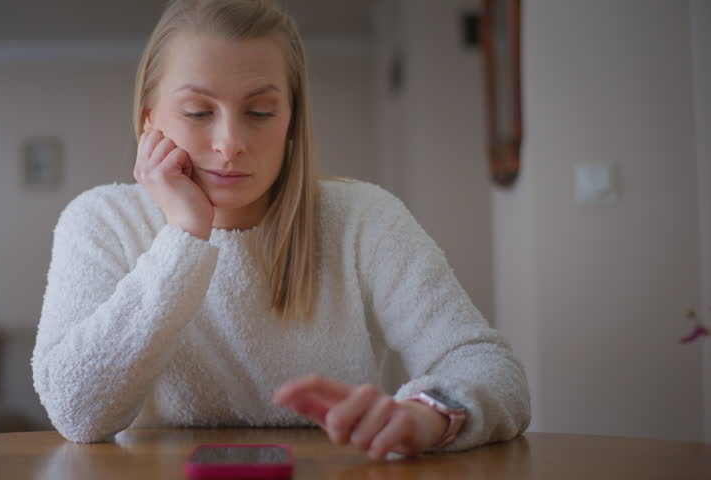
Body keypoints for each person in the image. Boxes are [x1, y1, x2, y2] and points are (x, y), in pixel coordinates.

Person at [32, 0, 530, 461]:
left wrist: (428, 415)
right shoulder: (99, 220)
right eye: (198, 112)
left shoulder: (364, 217)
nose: (229, 144)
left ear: (291, 121)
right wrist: (185, 236)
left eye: (260, 112)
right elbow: (77, 411)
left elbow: (488, 366)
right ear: (149, 121)